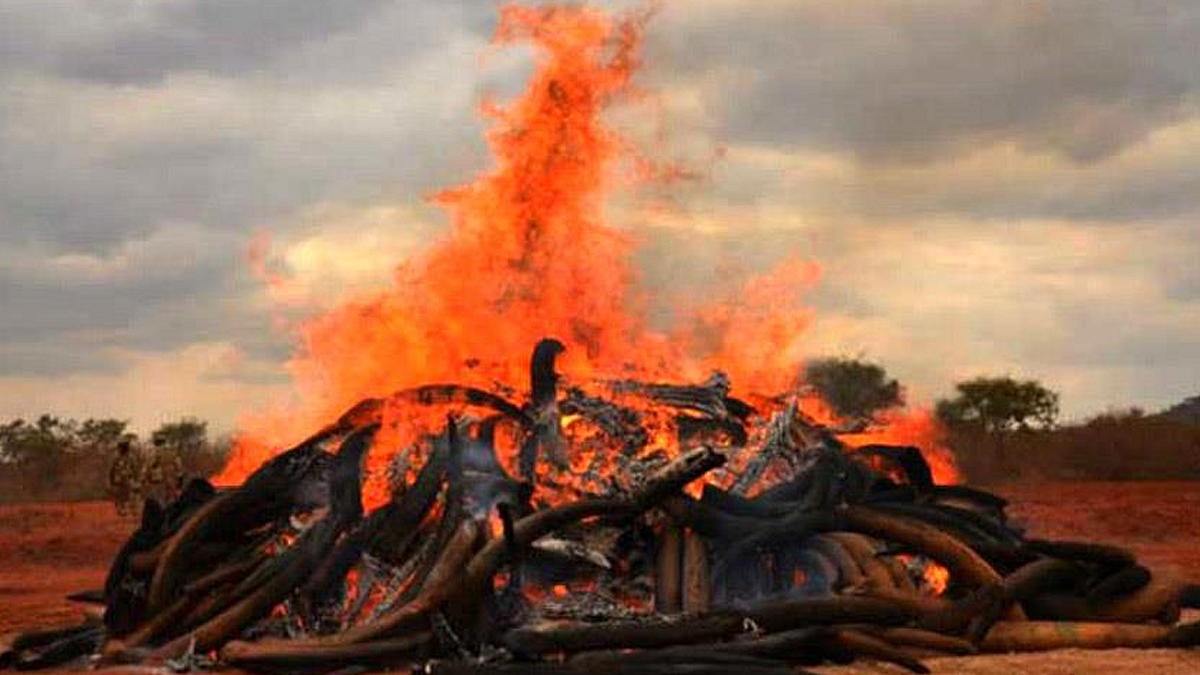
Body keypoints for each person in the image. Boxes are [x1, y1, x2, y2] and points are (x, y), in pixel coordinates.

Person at [107, 440, 142, 517]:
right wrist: (110, 481)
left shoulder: (131, 457)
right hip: (118, 479)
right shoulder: (115, 457)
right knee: (119, 495)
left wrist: (137, 480)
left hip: (128, 478)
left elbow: (135, 468)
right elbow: (111, 470)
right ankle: (121, 509)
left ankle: (134, 508)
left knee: (133, 493)